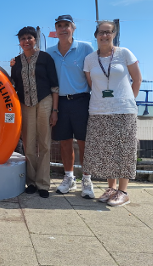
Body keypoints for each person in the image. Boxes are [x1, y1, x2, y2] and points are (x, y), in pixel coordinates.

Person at [83, 20, 141, 206]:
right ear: (96, 35)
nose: (104, 35)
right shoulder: (90, 59)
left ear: (114, 34)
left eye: (108, 32)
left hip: (124, 110)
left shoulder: (124, 53)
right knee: (107, 150)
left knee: (124, 149)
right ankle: (111, 188)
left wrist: (127, 100)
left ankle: (123, 191)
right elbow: (92, 84)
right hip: (99, 111)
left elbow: (137, 79)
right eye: (101, 32)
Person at [46, 15, 95, 198]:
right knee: (65, 143)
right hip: (60, 103)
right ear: (56, 30)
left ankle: (87, 180)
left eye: (66, 25)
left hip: (82, 100)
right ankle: (69, 178)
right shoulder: (50, 52)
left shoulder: (85, 48)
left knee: (83, 143)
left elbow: (94, 75)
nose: (63, 29)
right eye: (59, 26)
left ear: (73, 28)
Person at [11, 26, 59, 198]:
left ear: (35, 39)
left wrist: (55, 109)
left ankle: (43, 183)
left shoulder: (46, 58)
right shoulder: (16, 62)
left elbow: (54, 85)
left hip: (44, 101)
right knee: (29, 145)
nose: (26, 41)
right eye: (23, 38)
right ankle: (31, 182)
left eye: (29, 38)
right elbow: (13, 86)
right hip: (25, 104)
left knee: (45, 144)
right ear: (19, 42)